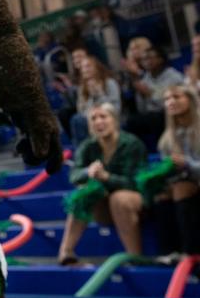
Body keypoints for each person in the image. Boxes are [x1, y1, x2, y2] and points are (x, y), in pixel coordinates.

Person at [58, 104, 147, 264]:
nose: (98, 122)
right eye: (93, 118)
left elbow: (137, 183)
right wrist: (88, 172)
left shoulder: (132, 143)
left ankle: (135, 256)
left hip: (135, 203)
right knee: (84, 191)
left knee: (119, 198)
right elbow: (74, 175)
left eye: (103, 117)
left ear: (115, 120)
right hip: (104, 208)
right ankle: (66, 252)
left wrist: (107, 177)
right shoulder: (88, 146)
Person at [156, 85, 200, 253]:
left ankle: (192, 251)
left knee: (181, 188)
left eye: (176, 97)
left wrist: (187, 164)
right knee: (162, 193)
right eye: (167, 99)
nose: (171, 102)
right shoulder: (166, 139)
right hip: (184, 186)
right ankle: (170, 253)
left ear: (190, 100)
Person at [129, 47, 184, 145]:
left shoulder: (174, 77)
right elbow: (142, 109)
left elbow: (173, 104)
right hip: (151, 115)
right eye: (144, 59)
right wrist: (141, 95)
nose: (147, 62)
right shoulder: (146, 79)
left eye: (150, 58)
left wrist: (149, 94)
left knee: (157, 119)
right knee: (132, 121)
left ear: (160, 59)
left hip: (169, 114)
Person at [71, 57, 121, 144]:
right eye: (83, 67)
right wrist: (91, 98)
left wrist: (99, 94)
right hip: (89, 119)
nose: (85, 69)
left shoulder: (110, 83)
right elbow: (81, 110)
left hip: (109, 117)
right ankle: (82, 151)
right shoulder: (82, 88)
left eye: (88, 66)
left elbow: (116, 108)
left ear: (96, 68)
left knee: (80, 120)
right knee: (77, 119)